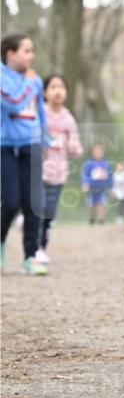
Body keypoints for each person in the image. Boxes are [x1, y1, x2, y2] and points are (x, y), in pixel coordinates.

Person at [0, 33, 49, 275]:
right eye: (26, 51)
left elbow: (39, 111)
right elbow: (14, 102)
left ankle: (31, 255)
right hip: (5, 147)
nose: (31, 56)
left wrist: (45, 140)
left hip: (32, 144)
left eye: (32, 51)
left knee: (33, 203)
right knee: (10, 201)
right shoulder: (3, 77)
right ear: (10, 54)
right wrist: (31, 83)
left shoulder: (35, 80)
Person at [35, 73, 83, 263]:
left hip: (58, 173)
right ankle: (34, 248)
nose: (58, 91)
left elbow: (76, 148)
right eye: (53, 87)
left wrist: (72, 147)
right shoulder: (40, 114)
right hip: (37, 171)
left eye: (61, 87)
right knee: (38, 208)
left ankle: (42, 249)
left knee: (49, 214)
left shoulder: (68, 119)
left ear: (67, 93)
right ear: (44, 93)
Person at [81, 144, 112, 224]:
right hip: (92, 187)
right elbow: (84, 175)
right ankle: (92, 218)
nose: (98, 153)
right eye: (95, 152)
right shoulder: (88, 164)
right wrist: (85, 184)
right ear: (92, 153)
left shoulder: (106, 163)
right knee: (92, 204)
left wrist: (110, 186)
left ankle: (101, 219)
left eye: (99, 152)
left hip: (102, 187)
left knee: (101, 203)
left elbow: (109, 175)